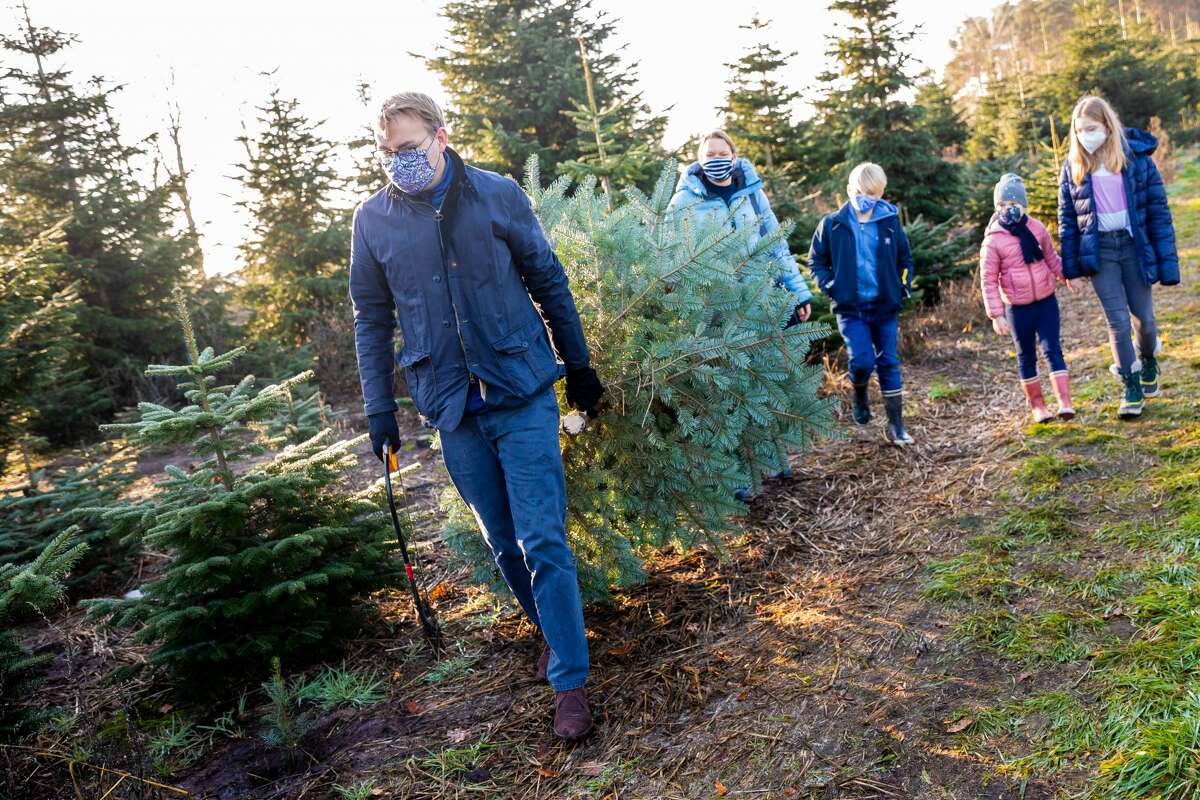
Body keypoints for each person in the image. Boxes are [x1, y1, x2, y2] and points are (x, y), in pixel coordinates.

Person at [348, 92, 603, 740]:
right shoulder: (373, 223)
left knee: (542, 537)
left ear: (440, 137)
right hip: (451, 404)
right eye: (386, 153)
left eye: (406, 150)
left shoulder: (496, 195)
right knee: (503, 544)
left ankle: (570, 682)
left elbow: (548, 280)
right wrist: (379, 407)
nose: (396, 163)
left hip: (519, 390)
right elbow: (371, 320)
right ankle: (552, 635)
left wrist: (579, 367)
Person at [1058, 95, 1180, 419]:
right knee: (1117, 322)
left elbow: (1158, 212)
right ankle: (1131, 384)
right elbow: (1068, 220)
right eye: (1080, 129)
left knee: (1146, 319)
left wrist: (1167, 262)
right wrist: (1071, 270)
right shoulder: (1073, 167)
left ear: (1108, 126)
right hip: (1100, 252)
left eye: (1092, 128)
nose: (1086, 135)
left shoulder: (1136, 159)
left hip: (1132, 246)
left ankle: (1148, 358)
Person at [808, 162, 915, 446]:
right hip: (851, 309)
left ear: (881, 193)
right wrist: (830, 286)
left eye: (874, 193)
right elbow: (816, 261)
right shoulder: (833, 224)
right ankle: (859, 393)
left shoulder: (889, 222)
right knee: (863, 360)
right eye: (861, 192)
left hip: (885, 306)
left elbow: (905, 259)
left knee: (889, 362)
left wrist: (902, 285)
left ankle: (896, 426)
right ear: (849, 190)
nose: (867, 198)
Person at [667, 130, 813, 325]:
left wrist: (798, 293)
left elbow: (777, 245)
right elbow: (667, 250)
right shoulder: (683, 200)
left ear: (733, 157)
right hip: (719, 306)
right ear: (700, 160)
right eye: (710, 155)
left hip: (766, 293)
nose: (716, 159)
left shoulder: (753, 194)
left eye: (723, 154)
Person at [981, 173, 1077, 423]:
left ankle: (1064, 403)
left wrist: (1067, 276)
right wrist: (997, 314)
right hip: (1017, 308)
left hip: (1046, 302)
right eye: (1002, 205)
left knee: (1052, 348)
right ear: (996, 207)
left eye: (1013, 204)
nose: (1008, 209)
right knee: (1025, 356)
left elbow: (1051, 259)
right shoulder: (993, 240)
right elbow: (988, 280)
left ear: (1024, 205)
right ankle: (1038, 407)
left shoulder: (1037, 229)